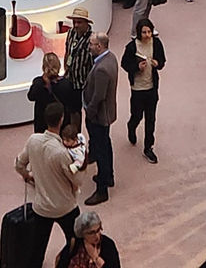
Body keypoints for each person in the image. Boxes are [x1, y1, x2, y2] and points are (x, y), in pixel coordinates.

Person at [16, 99, 84, 256]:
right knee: (76, 243)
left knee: (37, 248)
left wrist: (29, 176)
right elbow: (77, 180)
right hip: (65, 206)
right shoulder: (62, 152)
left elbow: (19, 165)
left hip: (42, 207)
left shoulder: (33, 140)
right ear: (61, 119)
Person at [82, 32, 118, 205]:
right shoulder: (111, 58)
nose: (89, 47)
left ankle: (102, 189)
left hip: (99, 116)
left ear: (99, 46)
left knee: (102, 151)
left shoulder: (102, 68)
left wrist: (89, 111)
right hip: (106, 114)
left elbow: (98, 96)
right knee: (105, 143)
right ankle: (109, 176)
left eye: (91, 44)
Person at [121, 18, 164, 163]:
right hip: (137, 89)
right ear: (139, 33)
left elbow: (162, 60)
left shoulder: (156, 43)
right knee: (137, 116)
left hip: (152, 88)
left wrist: (158, 64)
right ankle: (131, 126)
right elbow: (124, 64)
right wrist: (136, 67)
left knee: (151, 119)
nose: (147, 35)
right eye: (144, 32)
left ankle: (148, 147)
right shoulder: (132, 47)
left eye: (149, 32)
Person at [28, 50, 80, 132]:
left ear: (43, 67)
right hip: (62, 124)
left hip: (42, 125)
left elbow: (30, 97)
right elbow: (73, 105)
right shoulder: (66, 84)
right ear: (59, 65)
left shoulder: (38, 83)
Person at [54, 209, 122, 268]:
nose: (97, 236)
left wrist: (96, 258)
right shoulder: (75, 243)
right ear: (82, 233)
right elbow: (61, 265)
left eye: (98, 230)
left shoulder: (108, 245)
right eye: (91, 233)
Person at [63, 7, 95, 103]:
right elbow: (68, 50)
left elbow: (95, 63)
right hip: (71, 79)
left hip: (85, 83)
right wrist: (66, 67)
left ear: (86, 22)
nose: (76, 25)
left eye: (79, 22)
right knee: (73, 110)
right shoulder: (70, 33)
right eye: (74, 22)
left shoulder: (93, 39)